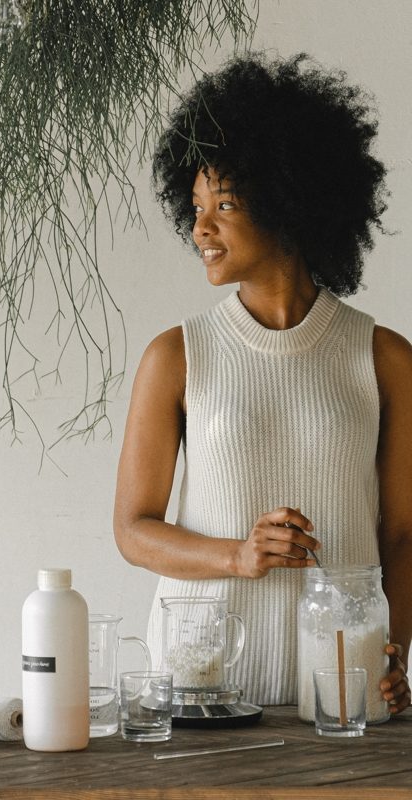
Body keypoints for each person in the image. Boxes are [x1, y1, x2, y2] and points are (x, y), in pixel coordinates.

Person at [113, 53, 412, 713]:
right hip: (201, 693)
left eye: (224, 203)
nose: (201, 228)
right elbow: (133, 529)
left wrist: (394, 650)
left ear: (287, 201)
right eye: (195, 205)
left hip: (342, 694)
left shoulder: (385, 357)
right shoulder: (176, 356)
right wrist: (238, 557)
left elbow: (401, 533)